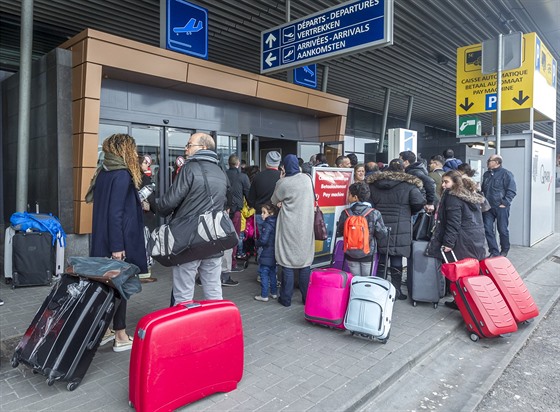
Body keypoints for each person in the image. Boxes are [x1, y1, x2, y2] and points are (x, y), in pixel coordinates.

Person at [87, 133, 147, 352]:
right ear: (126, 150)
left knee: (107, 287)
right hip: (116, 241)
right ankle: (120, 335)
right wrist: (117, 248)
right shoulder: (121, 175)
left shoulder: (103, 172)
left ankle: (105, 331)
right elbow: (116, 214)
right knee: (120, 288)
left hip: (102, 239)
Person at [157, 132, 229, 303]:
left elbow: (168, 203)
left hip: (188, 241)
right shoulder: (220, 171)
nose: (185, 148)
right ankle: (217, 327)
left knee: (183, 294)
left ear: (203, 147)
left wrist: (154, 202)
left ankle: (183, 329)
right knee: (213, 291)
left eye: (189, 145)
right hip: (213, 239)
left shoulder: (190, 168)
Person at [426, 170, 486, 309]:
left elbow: (453, 223)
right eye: (443, 182)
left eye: (446, 182)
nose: (443, 185)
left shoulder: (453, 197)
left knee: (460, 271)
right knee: (471, 270)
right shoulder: (469, 194)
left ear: (455, 182)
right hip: (474, 237)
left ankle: (461, 301)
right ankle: (469, 300)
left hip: (462, 239)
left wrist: (448, 243)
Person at [366, 159, 425, 300]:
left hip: (379, 224)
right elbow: (418, 203)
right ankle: (396, 289)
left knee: (380, 255)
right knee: (396, 256)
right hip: (401, 224)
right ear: (402, 170)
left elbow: (370, 203)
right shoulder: (410, 185)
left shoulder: (374, 185)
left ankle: (379, 287)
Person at [271, 154, 315, 307]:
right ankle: (306, 298)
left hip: (289, 226)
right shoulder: (307, 179)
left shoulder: (283, 183)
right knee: (304, 263)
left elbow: (273, 200)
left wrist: (282, 177)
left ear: (284, 167)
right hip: (306, 225)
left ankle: (286, 299)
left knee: (287, 262)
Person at [336, 183, 387, 276]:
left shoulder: (346, 213)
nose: (348, 196)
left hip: (350, 253)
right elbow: (382, 234)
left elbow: (340, 231)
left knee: (355, 279)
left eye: (349, 194)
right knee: (367, 281)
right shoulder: (374, 213)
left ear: (355, 197)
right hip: (368, 253)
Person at [481, 154, 517, 257]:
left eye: (490, 160)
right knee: (487, 229)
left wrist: (505, 203)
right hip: (488, 207)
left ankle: (505, 250)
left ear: (497, 162)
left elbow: (512, 190)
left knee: (502, 229)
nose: (488, 162)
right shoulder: (487, 174)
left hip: (501, 207)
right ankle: (494, 251)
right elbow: (484, 189)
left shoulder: (506, 174)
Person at [247, 151, 281, 238]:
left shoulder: (258, 176)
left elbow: (251, 199)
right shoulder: (282, 178)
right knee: (277, 240)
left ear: (266, 162)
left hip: (260, 213)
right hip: (277, 213)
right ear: (278, 163)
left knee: (262, 240)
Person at [225, 153, 250, 272]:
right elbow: (248, 193)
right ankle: (232, 264)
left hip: (223, 210)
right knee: (234, 238)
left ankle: (223, 264)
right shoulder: (242, 177)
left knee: (223, 238)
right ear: (238, 164)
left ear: (228, 164)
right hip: (236, 211)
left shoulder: (223, 174)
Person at [254, 203, 279, 302]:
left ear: (271, 213)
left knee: (264, 273)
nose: (262, 215)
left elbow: (264, 240)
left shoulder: (267, 224)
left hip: (267, 252)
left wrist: (257, 243)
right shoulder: (276, 222)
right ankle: (274, 293)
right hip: (274, 252)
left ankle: (264, 295)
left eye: (264, 212)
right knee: (273, 273)